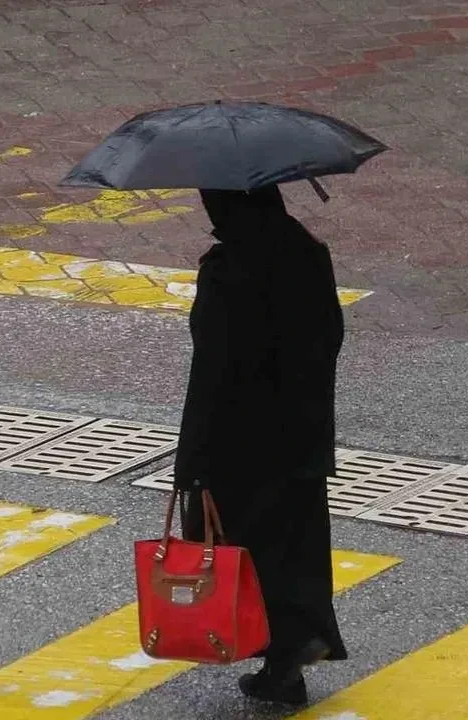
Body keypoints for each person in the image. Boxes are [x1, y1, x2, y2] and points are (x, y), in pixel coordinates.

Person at [172, 184, 346, 706]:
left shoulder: (228, 271)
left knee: (246, 552)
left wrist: (192, 463)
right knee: (297, 545)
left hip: (239, 442)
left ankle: (281, 654)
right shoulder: (307, 253)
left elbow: (211, 376)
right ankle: (293, 650)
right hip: (302, 432)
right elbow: (330, 335)